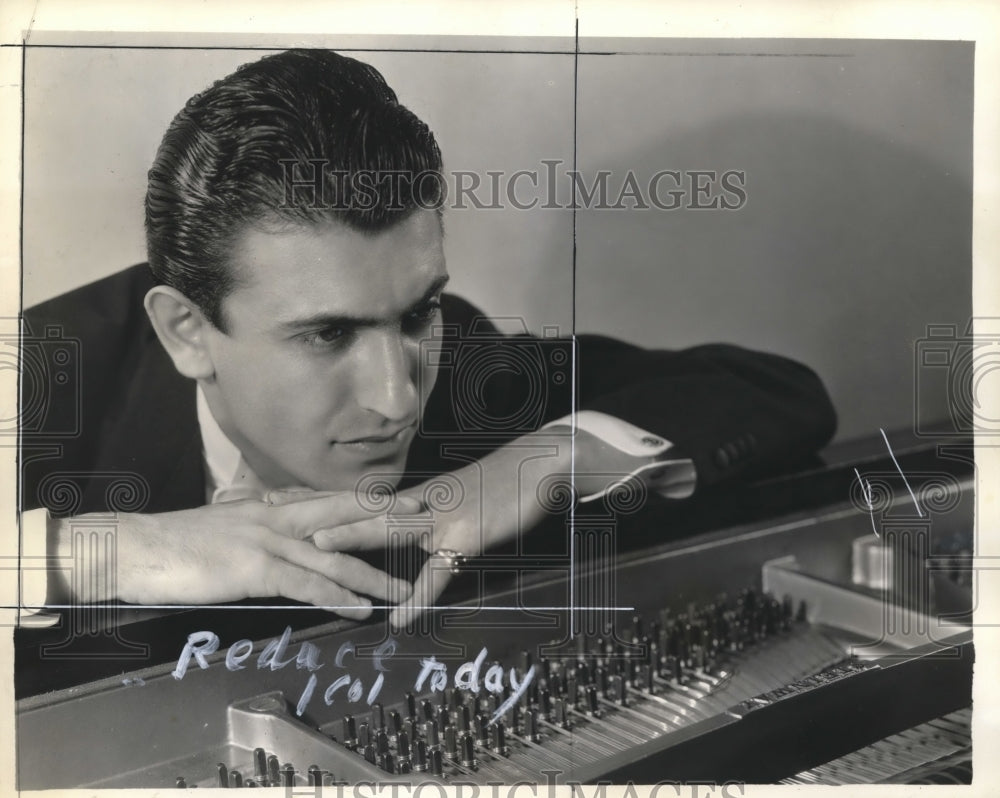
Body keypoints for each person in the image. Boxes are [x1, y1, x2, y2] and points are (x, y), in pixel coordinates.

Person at [20, 49, 837, 630]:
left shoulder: (467, 354)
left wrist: (548, 454)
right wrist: (102, 552)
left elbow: (771, 391)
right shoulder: (38, 375)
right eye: (328, 333)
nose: (397, 397)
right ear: (187, 332)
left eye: (416, 315)